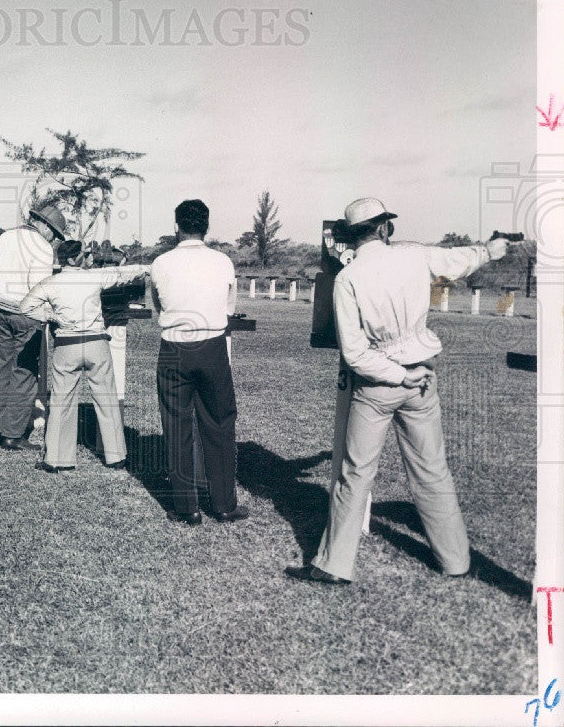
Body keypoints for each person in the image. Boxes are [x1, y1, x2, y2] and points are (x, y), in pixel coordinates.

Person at [286, 198, 509, 585]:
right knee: (432, 471)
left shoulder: (348, 279)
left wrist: (393, 375)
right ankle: (456, 561)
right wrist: (489, 250)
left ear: (350, 237)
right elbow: (460, 261)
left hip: (377, 385)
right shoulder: (412, 256)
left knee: (355, 475)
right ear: (384, 228)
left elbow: (354, 353)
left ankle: (334, 565)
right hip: (421, 378)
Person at [150, 199, 248, 526]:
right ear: (206, 226)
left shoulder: (161, 262)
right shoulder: (222, 262)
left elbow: (156, 305)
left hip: (174, 347)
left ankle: (186, 508)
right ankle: (223, 504)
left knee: (176, 426)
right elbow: (230, 306)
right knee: (219, 424)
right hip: (212, 346)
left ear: (177, 226)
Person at [20, 240, 149, 472]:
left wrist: (50, 315)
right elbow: (122, 273)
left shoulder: (50, 282)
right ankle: (117, 457)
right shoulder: (93, 277)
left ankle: (57, 459)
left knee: (61, 402)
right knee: (107, 398)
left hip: (66, 345)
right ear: (72, 259)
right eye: (83, 254)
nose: (87, 257)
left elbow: (26, 307)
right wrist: (147, 268)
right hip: (96, 344)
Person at [0, 203, 68, 451]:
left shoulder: (5, 236)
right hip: (25, 315)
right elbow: (41, 288)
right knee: (26, 373)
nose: (54, 240)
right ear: (46, 226)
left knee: (2, 369)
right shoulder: (42, 246)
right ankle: (13, 434)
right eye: (56, 234)